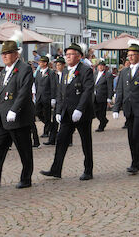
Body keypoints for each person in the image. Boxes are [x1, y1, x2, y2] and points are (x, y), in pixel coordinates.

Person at [0, 31, 35, 189]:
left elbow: (24, 91)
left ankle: (26, 178)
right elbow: (5, 89)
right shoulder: (4, 70)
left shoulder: (24, 68)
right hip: (4, 116)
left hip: (18, 116)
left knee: (24, 150)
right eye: (3, 53)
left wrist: (15, 109)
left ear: (16, 54)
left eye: (8, 53)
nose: (4, 56)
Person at [40, 43, 95, 181]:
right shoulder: (65, 71)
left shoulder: (85, 70)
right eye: (67, 54)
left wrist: (80, 109)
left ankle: (88, 170)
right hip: (66, 113)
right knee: (61, 140)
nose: (68, 57)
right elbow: (60, 92)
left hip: (81, 113)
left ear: (79, 56)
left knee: (86, 142)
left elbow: (87, 91)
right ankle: (56, 169)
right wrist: (58, 111)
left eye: (71, 54)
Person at [112, 40, 139, 175]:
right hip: (128, 108)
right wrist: (116, 108)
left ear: (138, 55)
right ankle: (137, 161)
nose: (130, 58)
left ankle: (135, 163)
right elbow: (120, 90)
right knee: (131, 136)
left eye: (133, 55)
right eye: (128, 55)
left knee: (137, 134)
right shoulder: (124, 71)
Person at [44, 57, 66, 145]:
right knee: (54, 120)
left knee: (66, 121)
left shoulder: (66, 74)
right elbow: (53, 87)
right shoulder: (55, 75)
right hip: (57, 100)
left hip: (65, 100)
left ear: (63, 65)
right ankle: (52, 139)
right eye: (56, 65)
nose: (57, 66)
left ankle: (68, 140)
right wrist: (53, 98)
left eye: (59, 65)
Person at [34, 55, 57, 138]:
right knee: (37, 112)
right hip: (39, 96)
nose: (39, 63)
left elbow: (53, 85)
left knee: (47, 115)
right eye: (39, 62)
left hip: (47, 97)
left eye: (41, 62)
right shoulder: (38, 72)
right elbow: (36, 84)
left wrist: (53, 98)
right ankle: (51, 127)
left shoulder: (51, 73)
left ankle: (46, 131)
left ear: (45, 63)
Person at [93, 61, 114, 132]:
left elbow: (110, 87)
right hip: (95, 96)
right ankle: (104, 120)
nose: (100, 67)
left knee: (102, 112)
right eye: (99, 66)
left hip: (103, 96)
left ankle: (101, 126)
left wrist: (109, 98)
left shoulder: (108, 75)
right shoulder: (95, 74)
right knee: (96, 112)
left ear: (105, 67)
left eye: (102, 66)